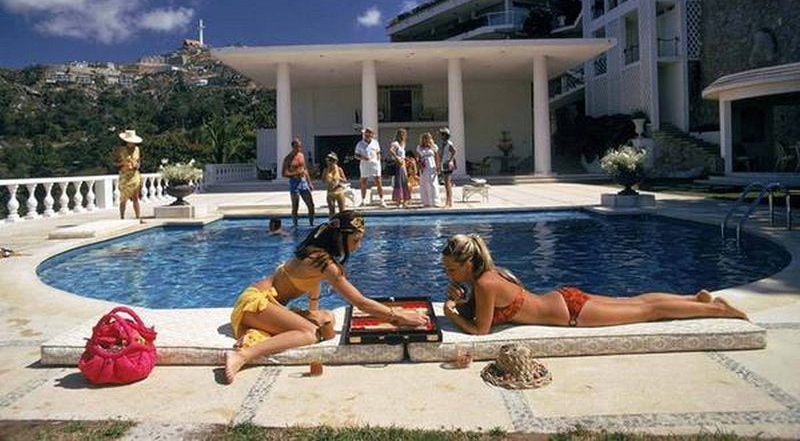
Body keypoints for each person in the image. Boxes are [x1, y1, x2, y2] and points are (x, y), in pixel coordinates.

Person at [225, 210, 429, 383]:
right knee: (310, 334)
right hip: (254, 305)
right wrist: (398, 316)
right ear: (340, 238)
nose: (359, 245)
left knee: (325, 318)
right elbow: (359, 302)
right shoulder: (324, 263)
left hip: (261, 302)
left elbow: (311, 288)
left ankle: (258, 334)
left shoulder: (315, 253)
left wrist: (312, 312)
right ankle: (243, 355)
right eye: (356, 240)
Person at [440, 234, 749, 335]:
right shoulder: (490, 275)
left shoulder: (483, 284)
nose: (448, 274)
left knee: (647, 311)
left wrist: (452, 311)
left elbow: (481, 331)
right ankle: (694, 299)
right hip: (565, 297)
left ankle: (719, 310)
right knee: (638, 302)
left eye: (452, 269)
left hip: (573, 314)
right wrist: (463, 299)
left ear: (468, 264)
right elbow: (488, 314)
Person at [281, 138, 315, 227]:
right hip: (294, 183)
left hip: (303, 182)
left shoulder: (301, 156)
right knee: (295, 206)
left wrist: (309, 182)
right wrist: (295, 174)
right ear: (293, 147)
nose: (299, 148)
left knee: (311, 205)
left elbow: (305, 170)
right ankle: (295, 225)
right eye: (297, 147)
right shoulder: (288, 159)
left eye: (300, 147)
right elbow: (284, 173)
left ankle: (311, 224)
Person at [114, 129, 143, 220]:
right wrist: (123, 163)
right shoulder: (120, 150)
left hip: (134, 175)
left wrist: (137, 165)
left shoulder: (137, 149)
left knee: (135, 197)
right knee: (123, 198)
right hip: (124, 176)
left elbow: (139, 162)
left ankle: (138, 217)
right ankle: (122, 217)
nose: (131, 143)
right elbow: (114, 163)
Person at [354, 127, 385, 207]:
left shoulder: (375, 143)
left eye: (369, 133)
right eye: (366, 133)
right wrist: (363, 158)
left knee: (378, 181)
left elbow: (378, 152)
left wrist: (378, 161)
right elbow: (356, 155)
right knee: (364, 182)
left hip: (375, 164)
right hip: (364, 164)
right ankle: (363, 201)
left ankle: (382, 201)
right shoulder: (360, 144)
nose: (367, 135)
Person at [416, 132, 440, 207]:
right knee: (424, 183)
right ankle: (426, 202)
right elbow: (418, 157)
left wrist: (438, 166)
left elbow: (437, 157)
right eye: (425, 138)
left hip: (432, 165)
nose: (426, 140)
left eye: (428, 138)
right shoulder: (419, 147)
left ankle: (435, 201)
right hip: (424, 166)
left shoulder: (434, 147)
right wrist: (419, 164)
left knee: (433, 184)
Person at [389, 128, 411, 208]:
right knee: (399, 182)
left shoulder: (403, 144)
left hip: (403, 164)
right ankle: (399, 201)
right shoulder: (395, 143)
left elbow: (403, 156)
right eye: (402, 134)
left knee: (404, 182)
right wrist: (397, 157)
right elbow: (391, 150)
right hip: (398, 164)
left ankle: (405, 201)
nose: (403, 136)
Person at [321, 152, 348, 216]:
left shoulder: (339, 169)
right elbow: (323, 180)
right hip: (330, 192)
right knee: (332, 212)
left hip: (339, 192)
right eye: (328, 161)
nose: (329, 163)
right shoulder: (325, 170)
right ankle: (332, 223)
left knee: (342, 211)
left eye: (331, 161)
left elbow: (345, 180)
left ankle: (342, 223)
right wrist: (327, 176)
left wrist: (339, 179)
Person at [438, 127, 457, 208]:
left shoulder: (449, 143)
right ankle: (449, 202)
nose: (441, 136)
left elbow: (454, 151)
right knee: (446, 184)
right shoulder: (443, 143)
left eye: (442, 134)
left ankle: (448, 202)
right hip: (443, 164)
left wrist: (450, 160)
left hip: (447, 165)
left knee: (447, 184)